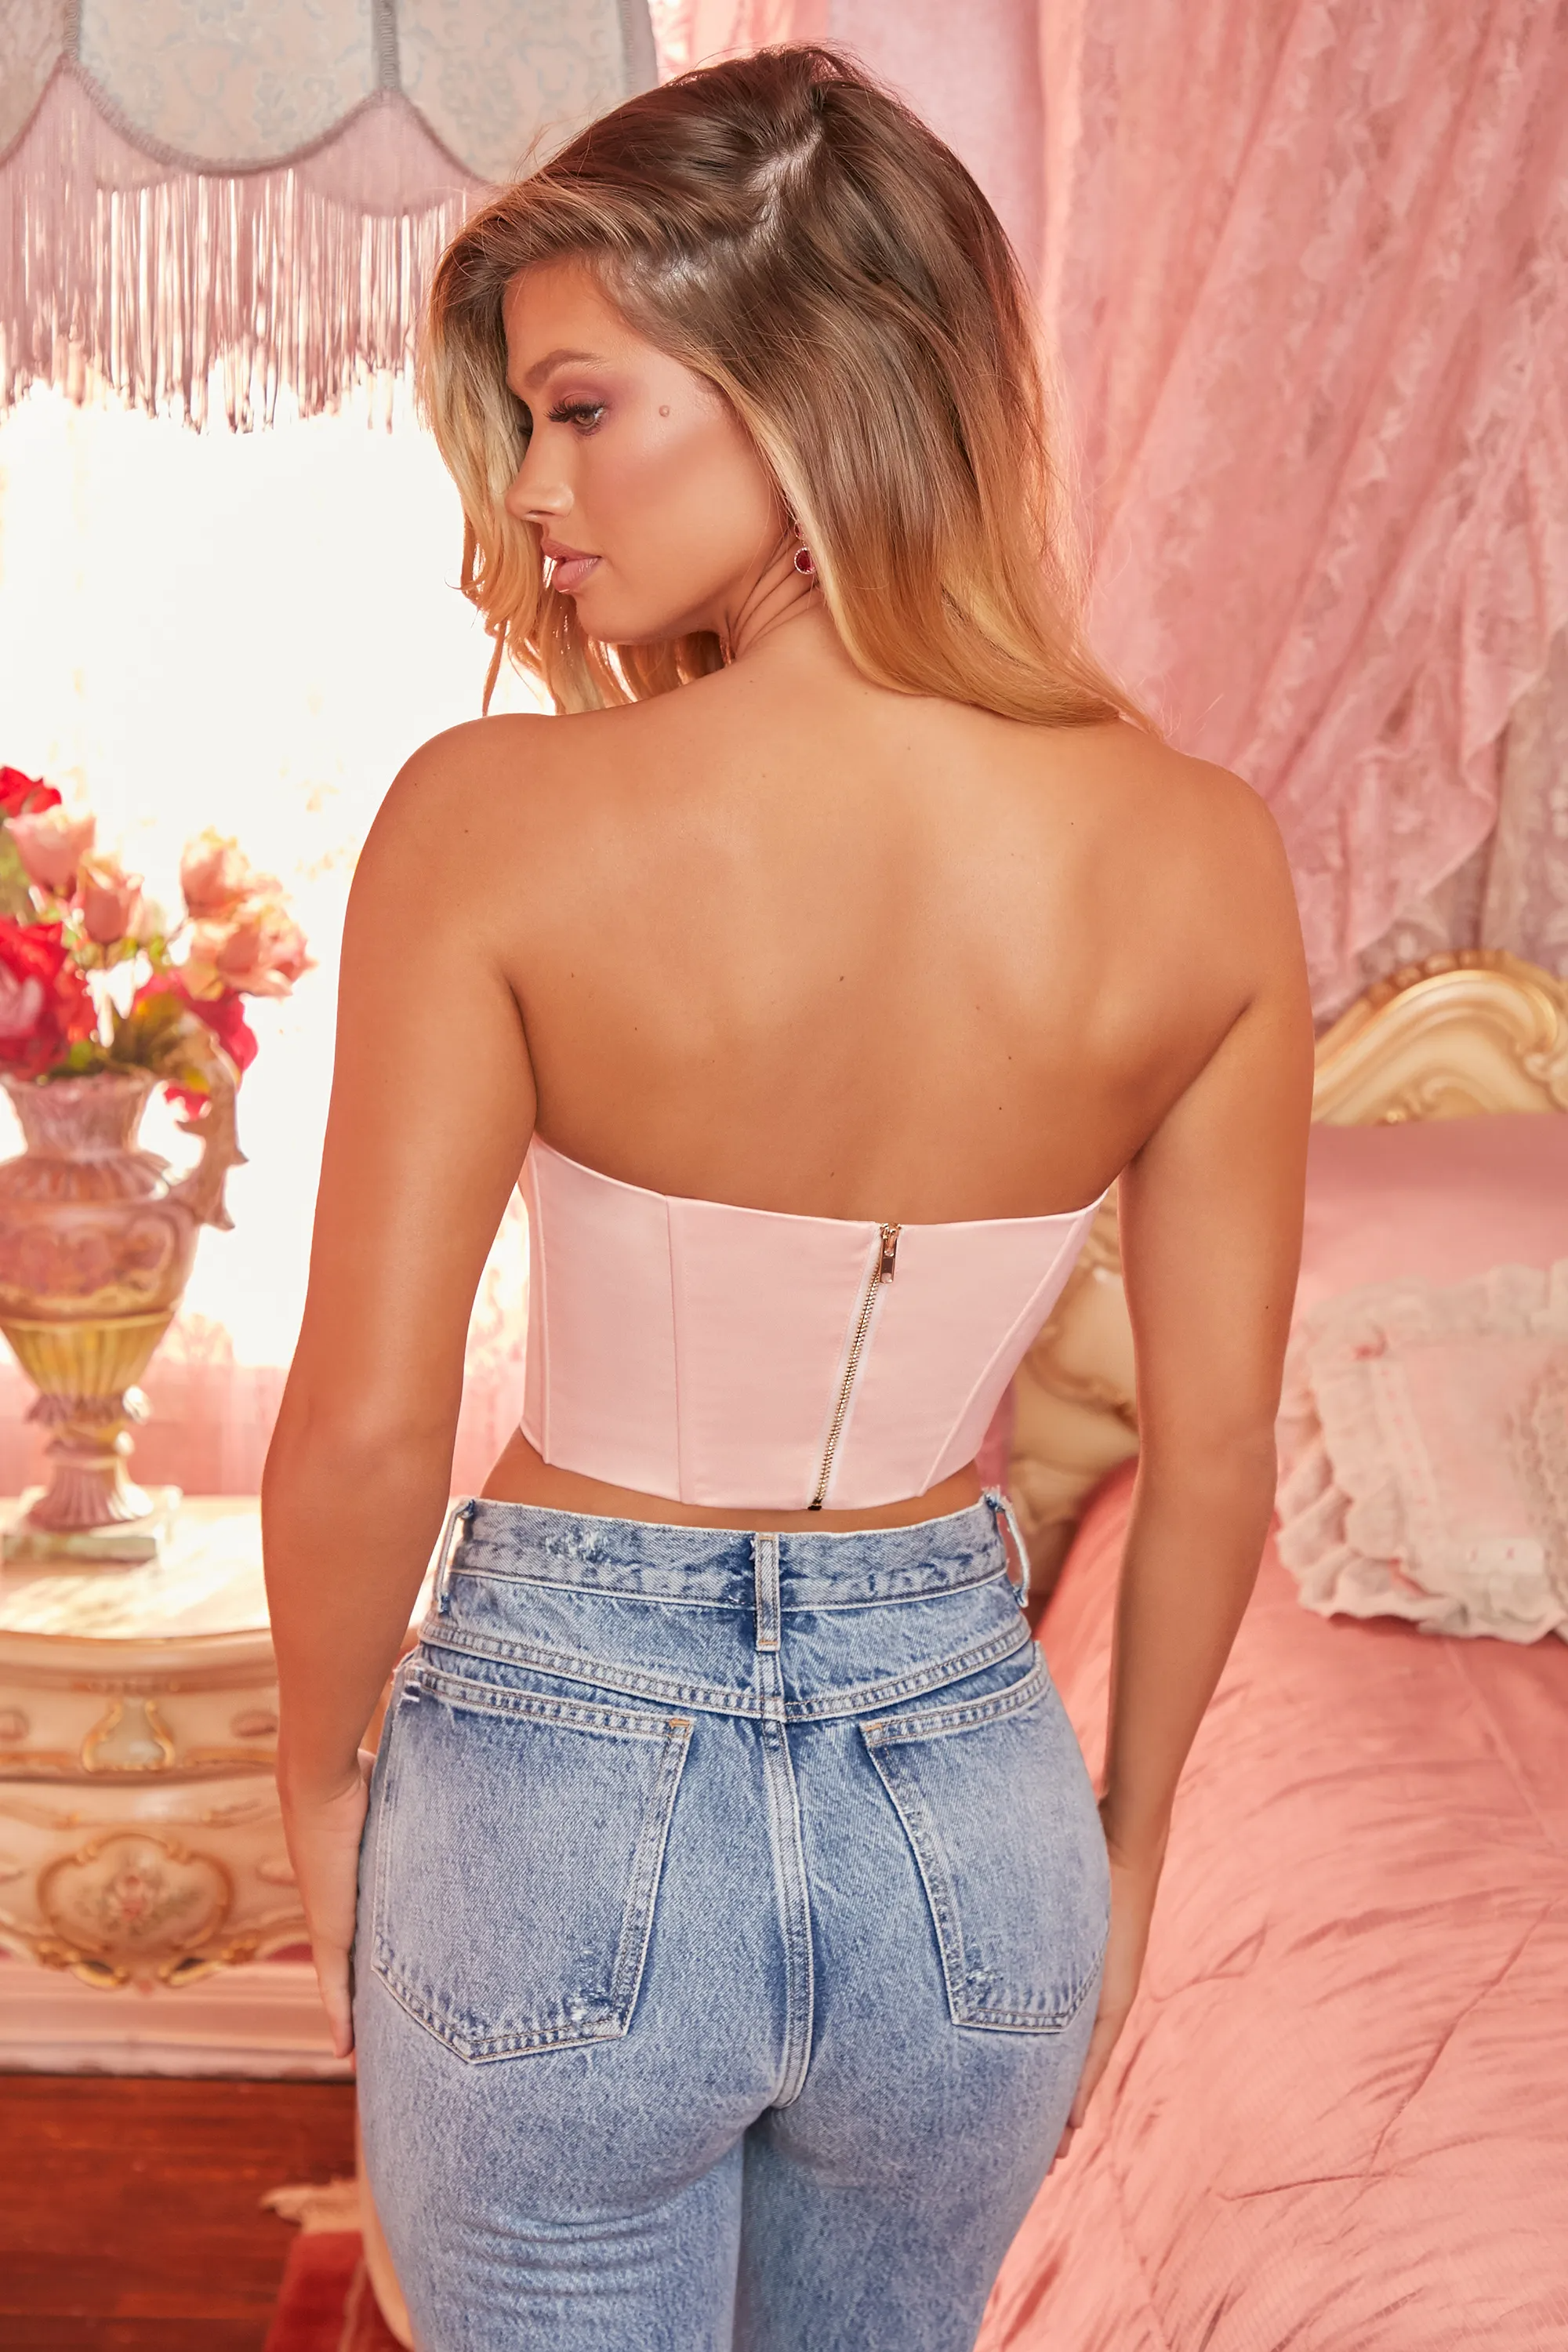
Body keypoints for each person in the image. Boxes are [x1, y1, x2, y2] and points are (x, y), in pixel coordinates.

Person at [262, 43, 1312, 2352]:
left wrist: (322, 1789)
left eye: (581, 408)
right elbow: (1219, 1449)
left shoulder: (496, 824)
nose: (535, 489)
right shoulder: (1202, 854)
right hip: (972, 1822)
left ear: (802, 383)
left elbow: (363, 1425)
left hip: (562, 1778)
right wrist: (1131, 1857)